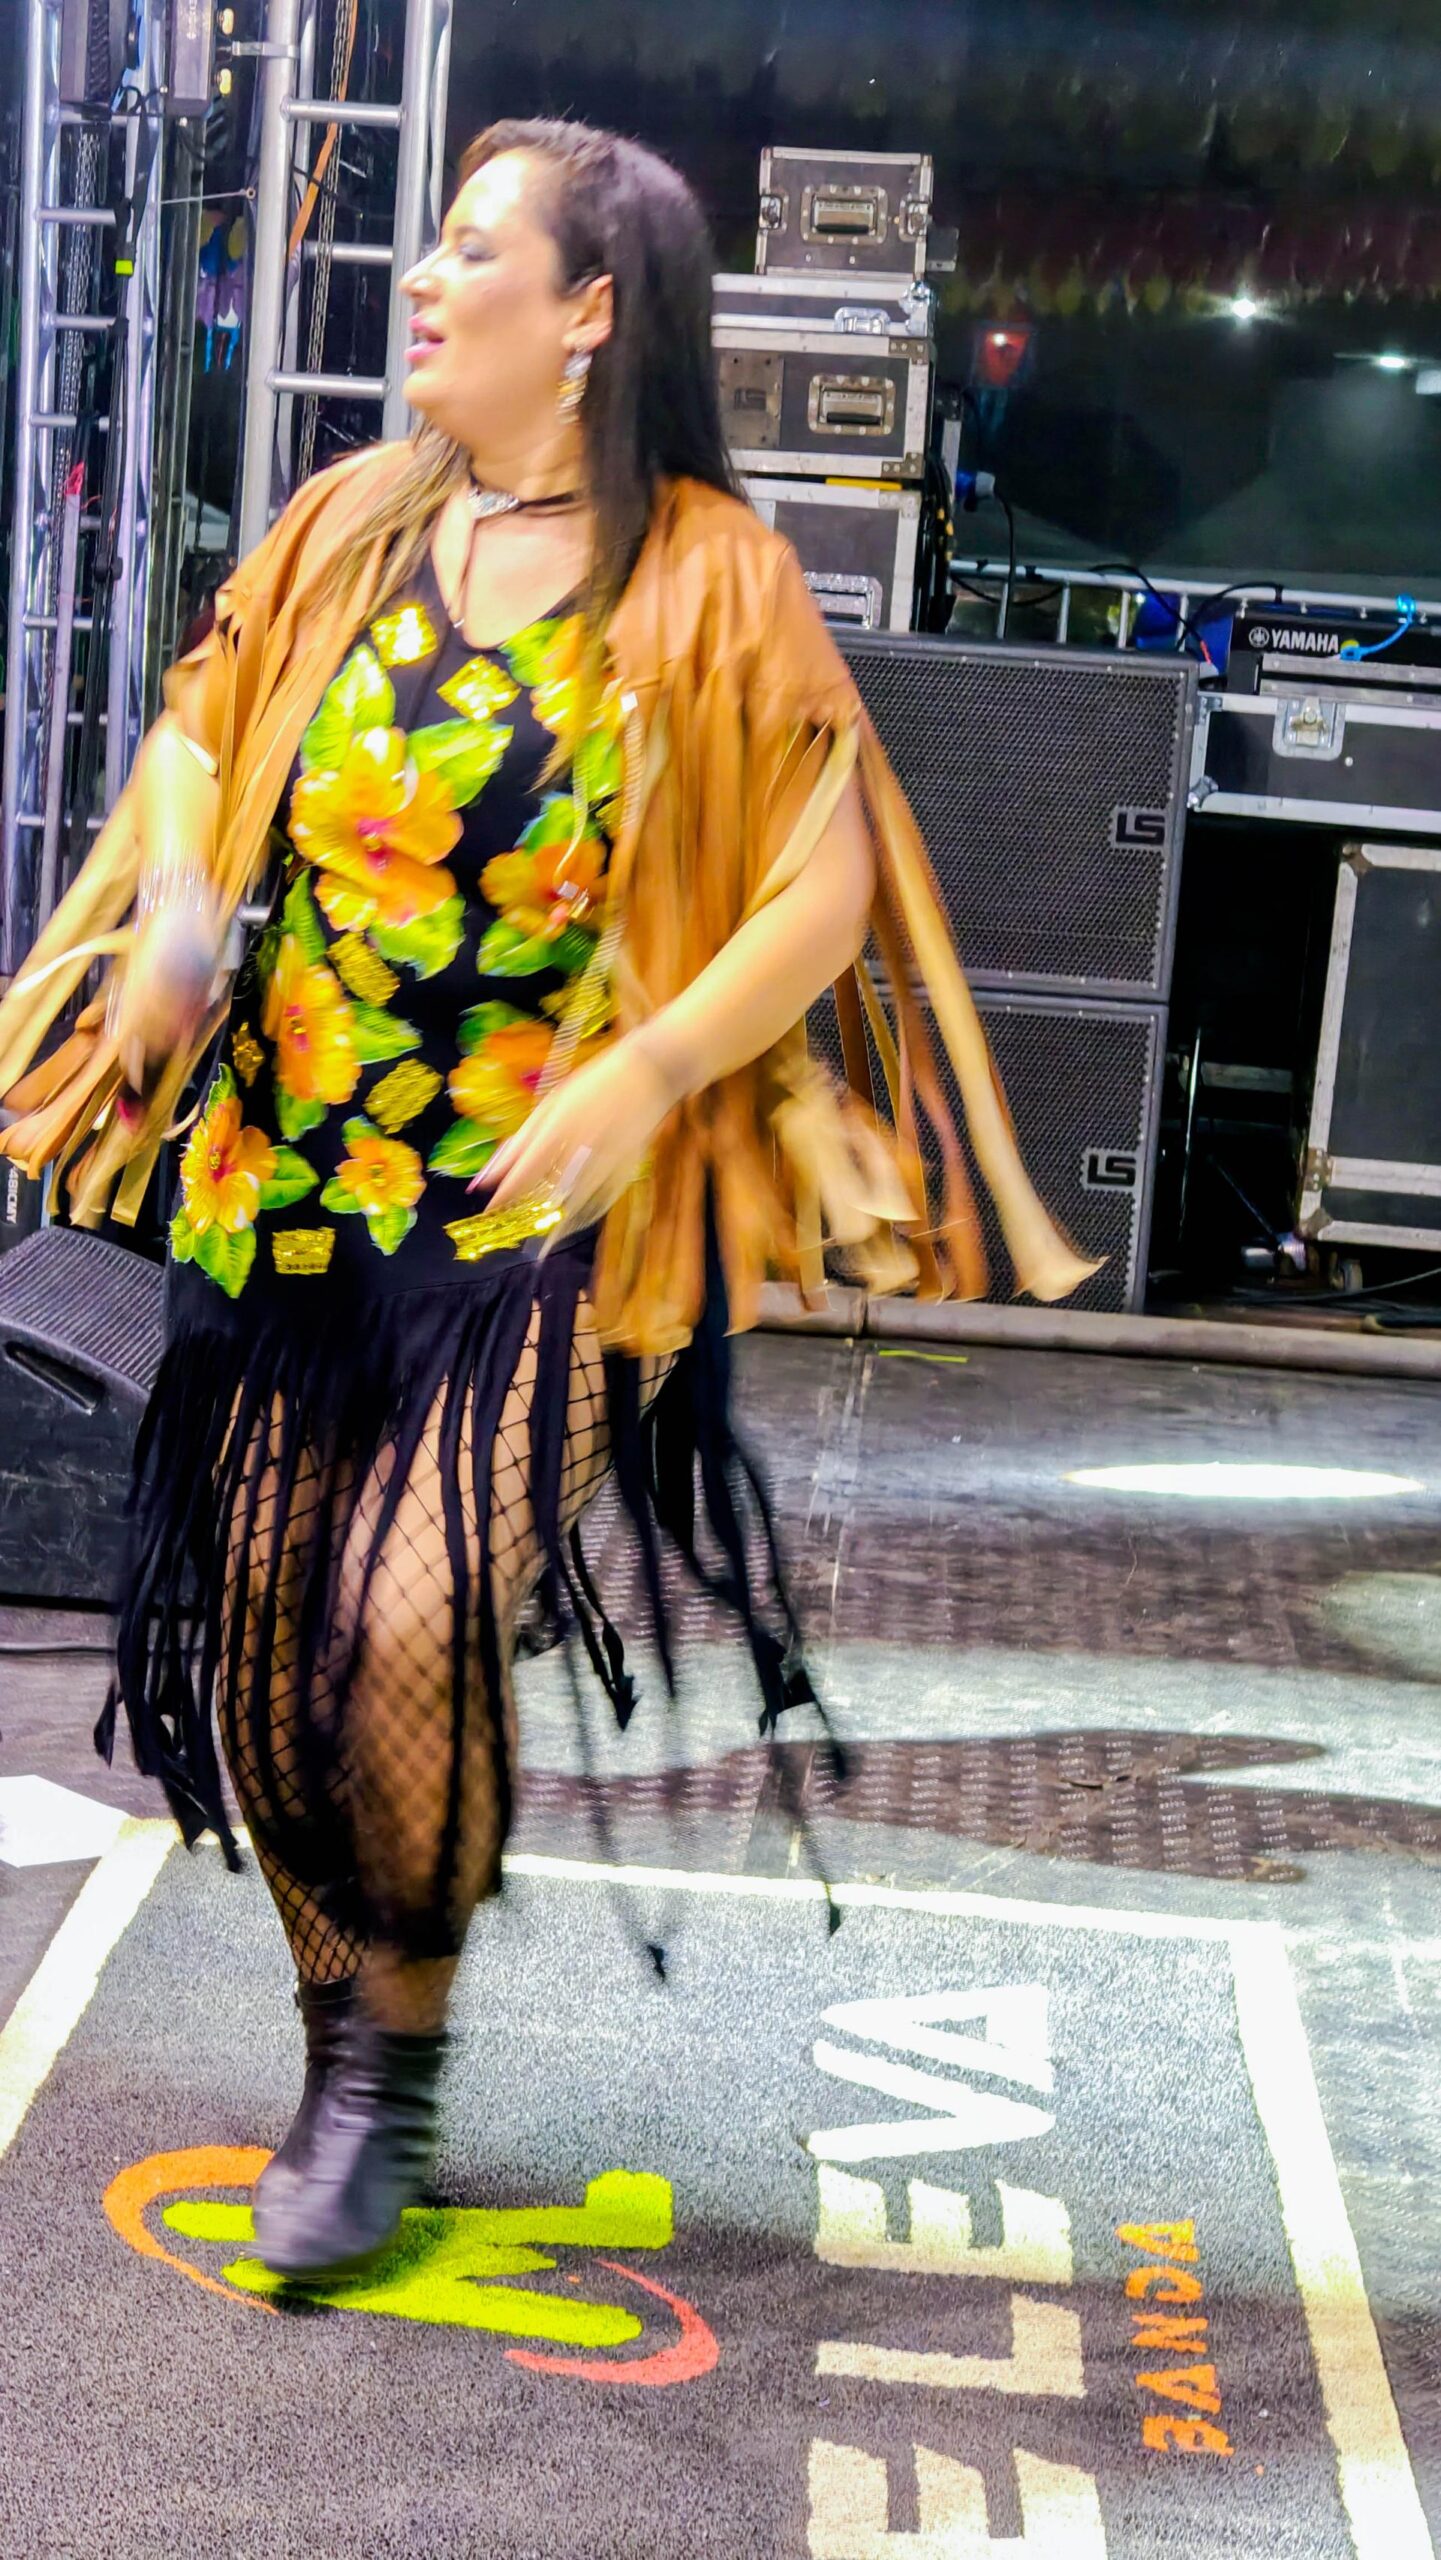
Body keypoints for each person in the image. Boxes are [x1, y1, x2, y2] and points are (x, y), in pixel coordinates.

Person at [0, 120, 1091, 2283]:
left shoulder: (704, 571)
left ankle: (388, 2077)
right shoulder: (351, 522)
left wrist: (648, 1064)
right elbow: (209, 728)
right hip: (289, 1189)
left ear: (587, 313)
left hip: (549, 1222)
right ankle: (343, 2038)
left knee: (407, 1624)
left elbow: (820, 881)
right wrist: (182, 921)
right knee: (262, 1654)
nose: (420, 280)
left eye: (469, 249)